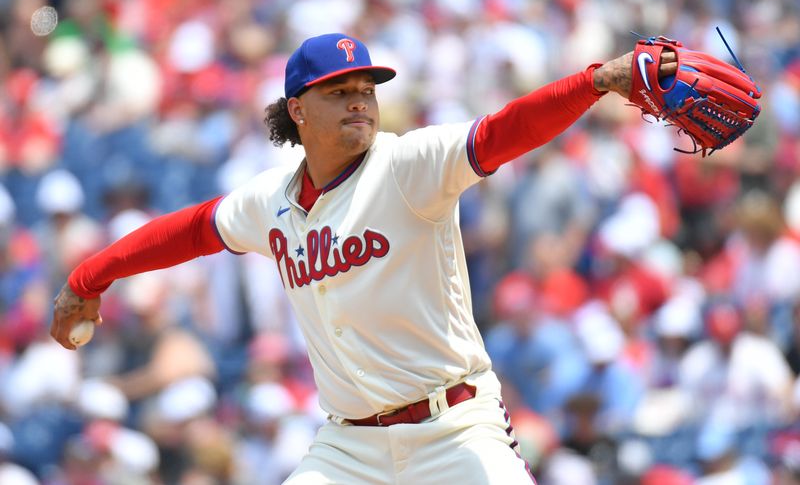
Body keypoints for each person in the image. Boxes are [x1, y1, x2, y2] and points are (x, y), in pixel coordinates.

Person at [51, 32, 676, 484]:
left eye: (367, 89)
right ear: (298, 110)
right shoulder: (270, 199)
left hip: (453, 427)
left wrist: (595, 80)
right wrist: (89, 277)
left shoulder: (407, 165)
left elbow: (502, 132)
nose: (360, 101)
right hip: (349, 448)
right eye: (340, 90)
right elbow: (188, 230)